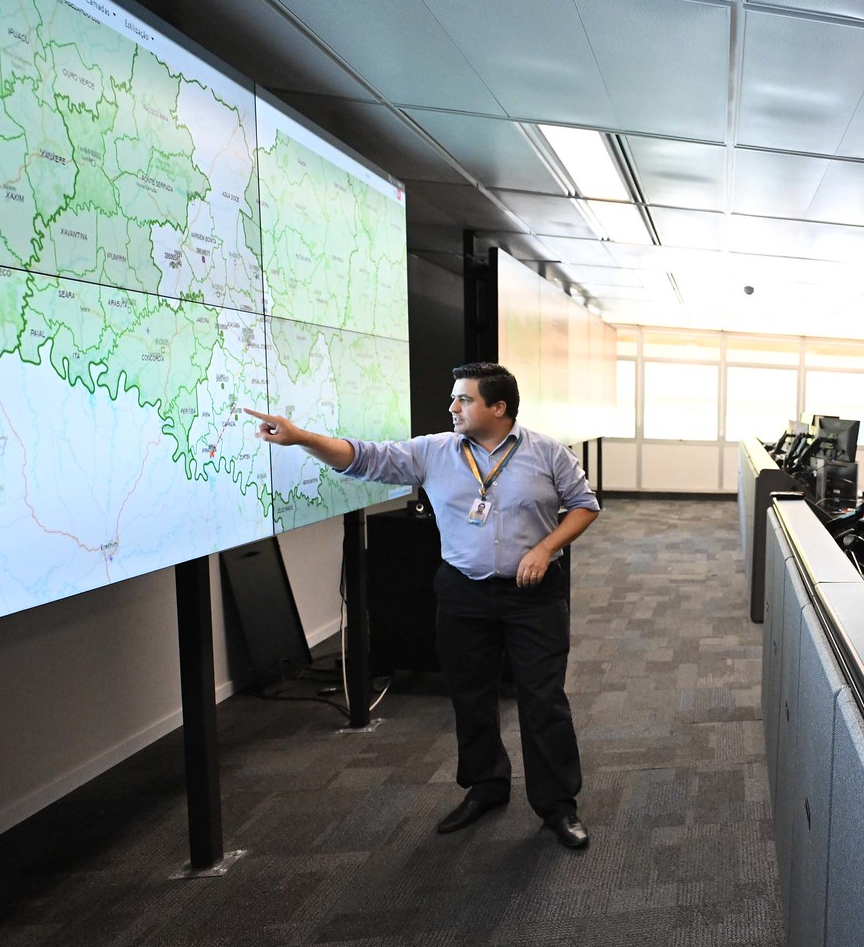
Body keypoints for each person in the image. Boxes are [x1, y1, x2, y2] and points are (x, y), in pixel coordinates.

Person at [243, 363, 600, 850]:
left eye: (465, 400)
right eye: (454, 399)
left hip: (532, 594)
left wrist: (544, 548)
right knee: (471, 695)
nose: (453, 407)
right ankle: (486, 787)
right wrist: (301, 436)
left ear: (499, 408)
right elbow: (362, 458)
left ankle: (558, 805)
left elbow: (584, 504)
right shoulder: (434, 451)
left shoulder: (547, 452)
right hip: (463, 591)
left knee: (543, 700)